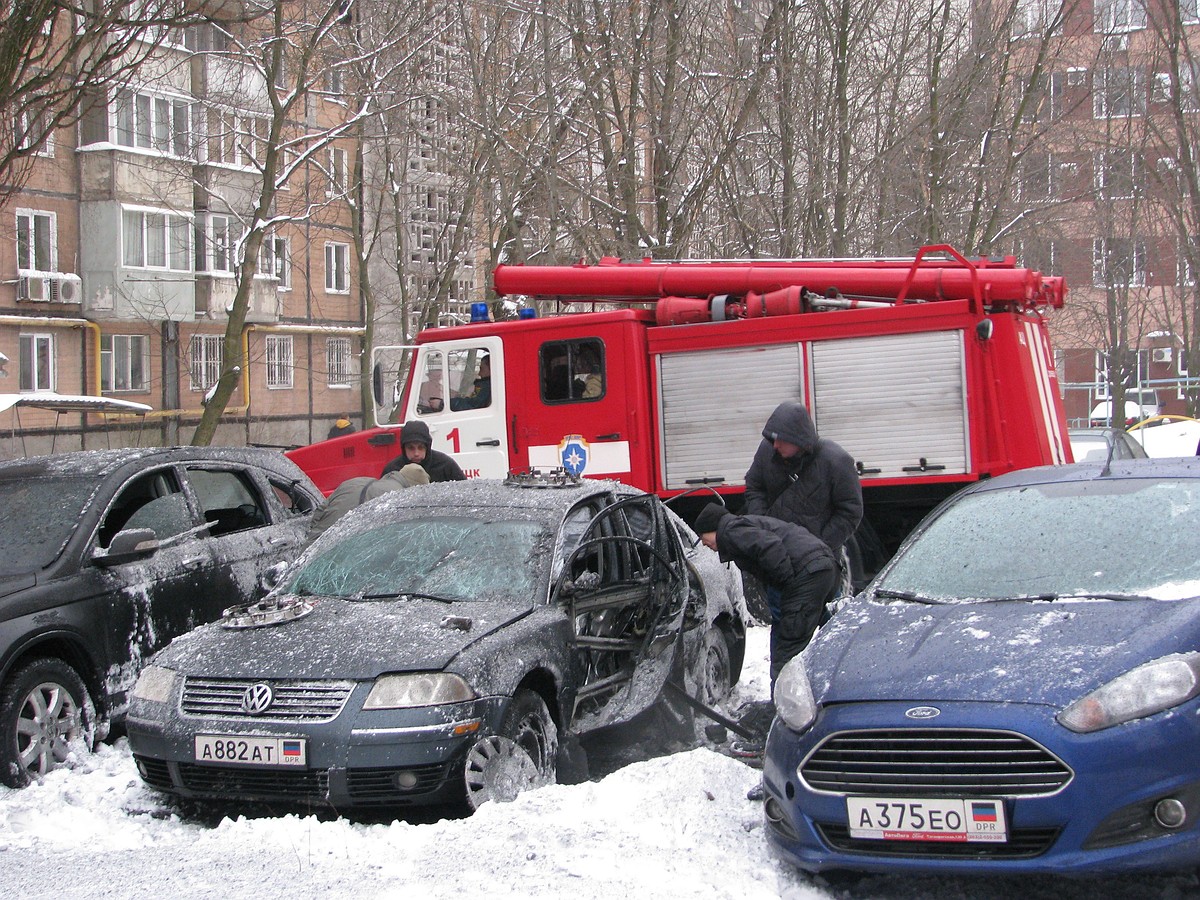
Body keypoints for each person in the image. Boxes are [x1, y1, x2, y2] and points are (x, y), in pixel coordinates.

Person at [693, 503, 836, 684]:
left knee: (786, 650)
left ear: (713, 529)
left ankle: (784, 707)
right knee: (830, 630)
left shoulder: (730, 531)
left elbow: (770, 546)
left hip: (808, 574)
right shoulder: (742, 525)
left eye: (703, 537)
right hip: (824, 568)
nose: (704, 544)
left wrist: (786, 582)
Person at [744, 401, 863, 581]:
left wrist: (818, 546)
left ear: (798, 439)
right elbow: (754, 487)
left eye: (781, 440)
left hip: (817, 567)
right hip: (774, 558)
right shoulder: (766, 451)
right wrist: (761, 525)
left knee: (818, 608)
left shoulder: (836, 461)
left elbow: (850, 512)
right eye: (773, 439)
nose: (775, 445)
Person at [307, 463, 430, 539]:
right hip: (347, 564)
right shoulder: (400, 497)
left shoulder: (354, 482)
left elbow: (319, 513)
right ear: (414, 488)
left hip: (311, 554)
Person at [381, 419, 466, 482]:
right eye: (411, 448)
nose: (416, 453)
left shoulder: (445, 465)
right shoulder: (392, 471)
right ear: (404, 448)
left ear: (427, 447)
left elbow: (466, 490)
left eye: (421, 447)